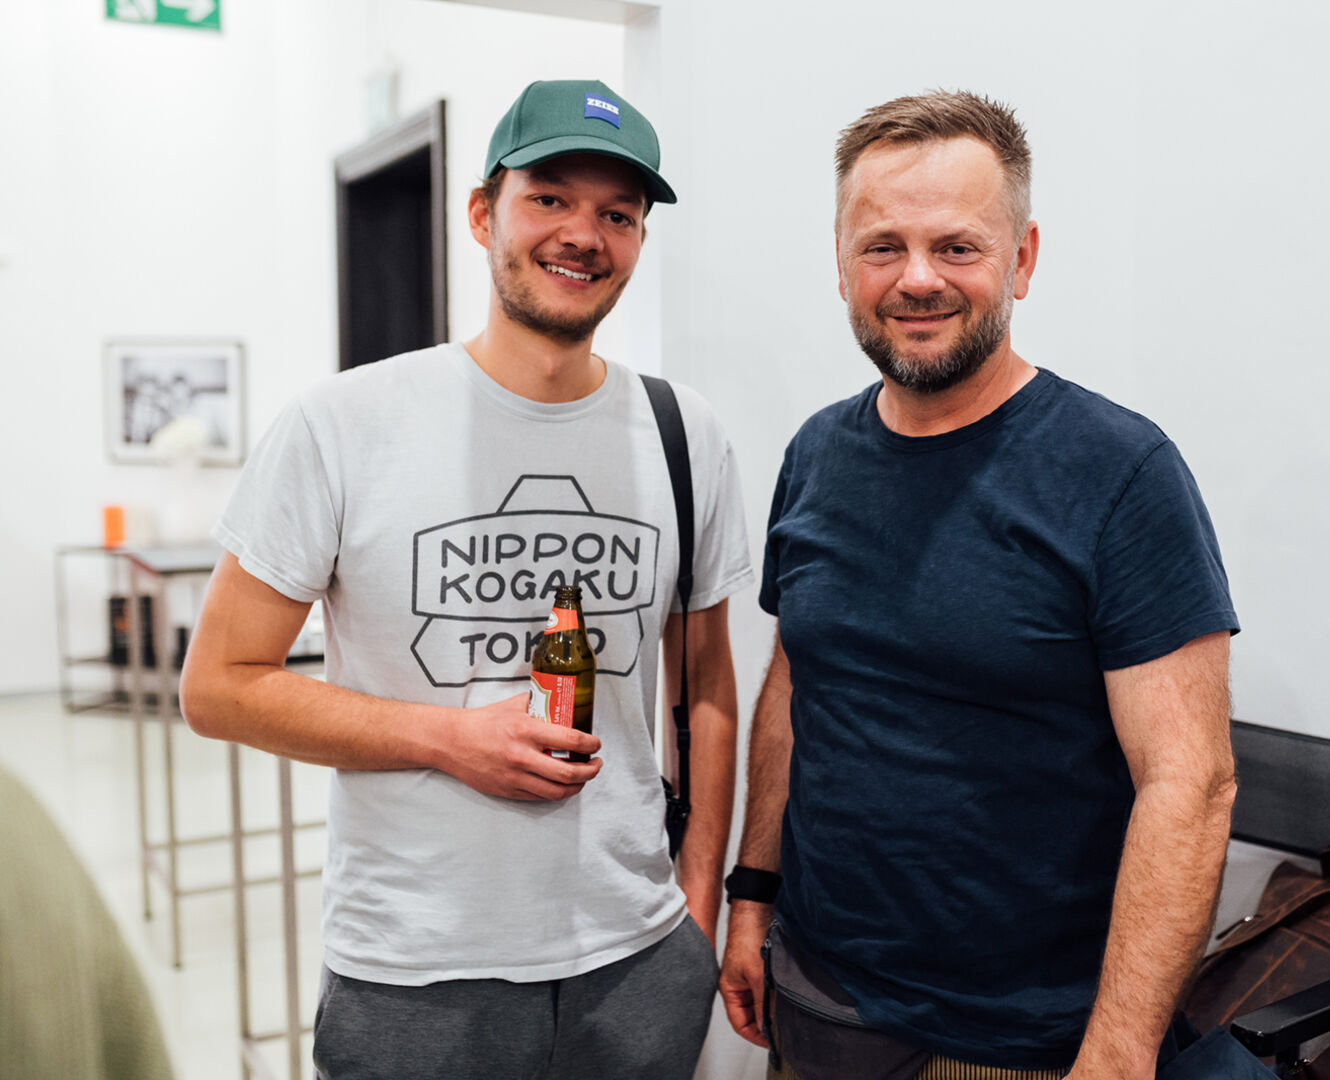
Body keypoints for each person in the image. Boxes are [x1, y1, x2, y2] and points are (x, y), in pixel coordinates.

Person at [181, 79, 753, 1080]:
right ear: (484, 212)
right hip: (415, 973)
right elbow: (219, 686)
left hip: (638, 965)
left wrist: (692, 909)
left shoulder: (684, 435)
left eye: (617, 214)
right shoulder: (341, 425)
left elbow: (704, 685)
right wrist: (449, 739)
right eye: (550, 198)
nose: (584, 234)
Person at [717, 90, 1242, 1080]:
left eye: (956, 246)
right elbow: (796, 686)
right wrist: (753, 892)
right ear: (841, 264)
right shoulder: (817, 453)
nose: (917, 278)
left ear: (1022, 258)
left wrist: (1119, 1054)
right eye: (884, 247)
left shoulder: (1119, 471)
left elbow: (1192, 782)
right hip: (818, 1002)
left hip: (1022, 1042)